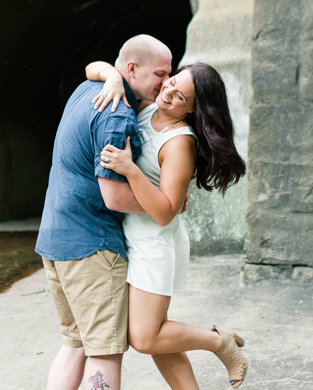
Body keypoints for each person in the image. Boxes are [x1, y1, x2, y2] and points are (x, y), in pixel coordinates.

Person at [88, 60, 248, 389]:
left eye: (180, 97)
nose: (168, 92)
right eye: (172, 81)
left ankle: (220, 343)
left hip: (152, 244)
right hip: (128, 236)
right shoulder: (147, 108)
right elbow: (91, 67)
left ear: (193, 110)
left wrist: (131, 170)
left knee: (146, 337)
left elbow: (165, 211)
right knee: (158, 334)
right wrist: (113, 77)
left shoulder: (180, 143)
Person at [35, 34, 173, 390]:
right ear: (131, 69)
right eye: (160, 73)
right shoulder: (118, 114)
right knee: (104, 353)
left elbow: (92, 67)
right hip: (92, 247)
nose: (166, 82)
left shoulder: (88, 88)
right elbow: (114, 197)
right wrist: (165, 204)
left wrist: (109, 74)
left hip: (56, 239)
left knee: (74, 345)